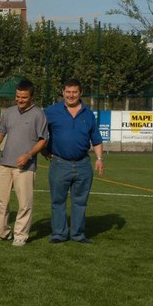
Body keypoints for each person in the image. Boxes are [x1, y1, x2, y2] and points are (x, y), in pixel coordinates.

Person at [0, 79, 48, 247]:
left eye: (24, 97)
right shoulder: (9, 112)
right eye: (18, 96)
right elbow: (1, 131)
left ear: (32, 97)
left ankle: (20, 235)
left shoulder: (39, 115)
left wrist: (28, 155)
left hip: (25, 166)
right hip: (5, 163)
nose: (20, 100)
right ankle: (3, 232)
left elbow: (43, 140)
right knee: (0, 200)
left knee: (24, 203)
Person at [44, 78, 104, 244]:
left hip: (83, 164)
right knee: (58, 201)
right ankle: (58, 234)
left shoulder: (88, 114)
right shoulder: (51, 112)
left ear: (80, 93)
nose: (71, 95)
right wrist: (44, 151)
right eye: (68, 92)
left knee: (80, 202)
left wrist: (99, 159)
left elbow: (96, 139)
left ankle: (78, 234)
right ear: (63, 92)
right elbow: (39, 133)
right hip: (59, 164)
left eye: (74, 92)